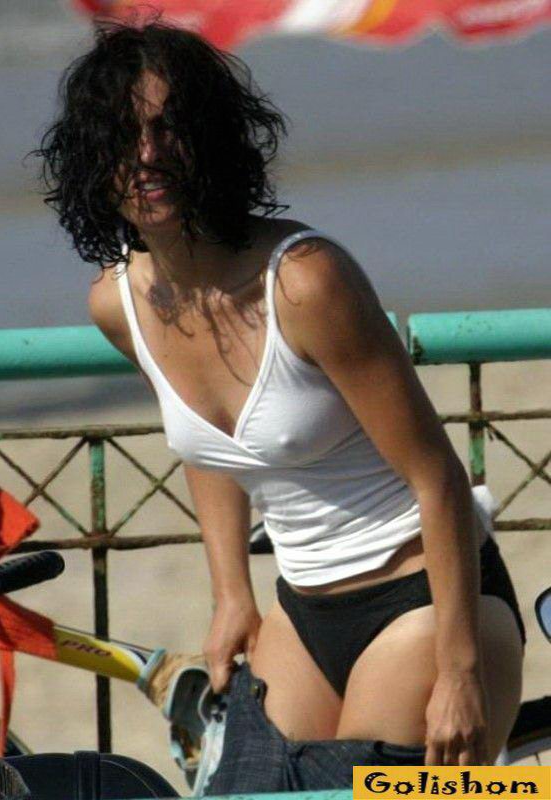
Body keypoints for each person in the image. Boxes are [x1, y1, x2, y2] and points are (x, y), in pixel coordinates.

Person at [35, 18, 524, 784]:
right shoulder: (117, 303)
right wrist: (231, 593)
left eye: (169, 128)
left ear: (212, 140)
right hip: (304, 609)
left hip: (424, 602)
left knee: (348, 789)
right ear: (91, 158)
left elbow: (437, 477)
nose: (148, 155)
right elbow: (210, 447)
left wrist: (461, 672)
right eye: (123, 135)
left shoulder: (304, 282)